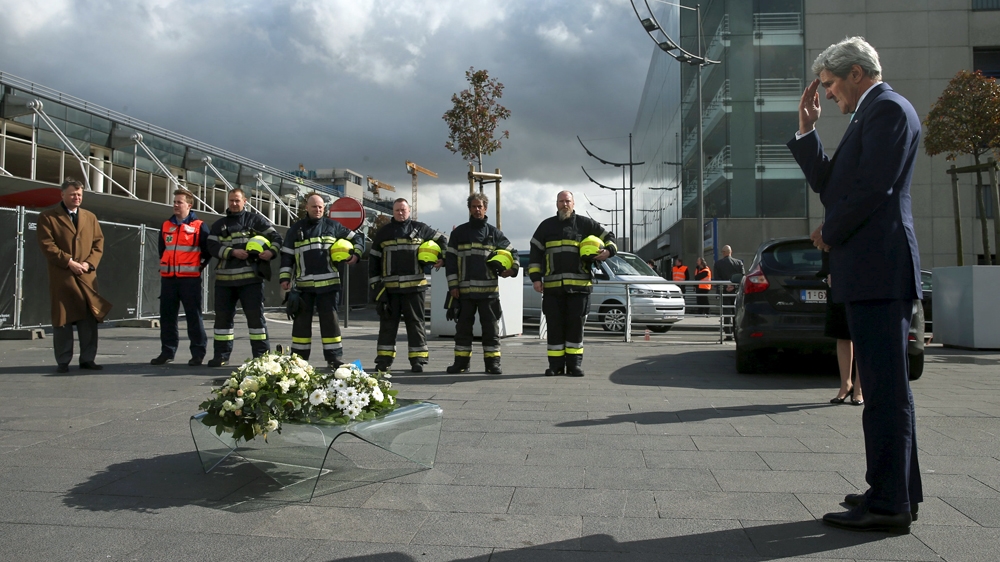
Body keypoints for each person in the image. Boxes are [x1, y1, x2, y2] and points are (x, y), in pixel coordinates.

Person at [788, 36, 922, 533]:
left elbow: (874, 189)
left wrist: (830, 230)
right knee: (888, 390)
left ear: (857, 74)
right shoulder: (871, 114)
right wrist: (807, 133)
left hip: (879, 270)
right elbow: (835, 184)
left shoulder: (887, 110)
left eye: (829, 85)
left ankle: (889, 505)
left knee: (886, 393)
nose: (826, 96)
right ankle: (896, 491)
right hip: (871, 269)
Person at [528, 191, 616, 377]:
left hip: (579, 288)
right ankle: (555, 366)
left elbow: (610, 237)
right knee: (554, 327)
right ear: (556, 204)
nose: (564, 204)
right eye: (561, 201)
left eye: (567, 201)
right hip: (553, 289)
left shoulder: (585, 224)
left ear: (573, 203)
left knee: (575, 327)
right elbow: (535, 253)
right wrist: (536, 278)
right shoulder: (546, 226)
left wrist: (608, 251)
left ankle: (574, 365)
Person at [36, 177, 112, 373]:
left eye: (79, 194)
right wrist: (69, 262)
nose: (76, 197)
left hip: (86, 277)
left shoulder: (90, 217)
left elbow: (98, 244)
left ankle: (88, 359)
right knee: (63, 320)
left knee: (89, 320)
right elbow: (48, 245)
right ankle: (63, 360)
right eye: (72, 194)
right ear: (62, 195)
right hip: (63, 277)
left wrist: (88, 264)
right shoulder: (48, 217)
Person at [279, 193, 363, 369]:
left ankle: (334, 358)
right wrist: (285, 278)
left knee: (330, 324)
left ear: (324, 209)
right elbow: (286, 256)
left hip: (329, 286)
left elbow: (357, 238)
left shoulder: (334, 226)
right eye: (314, 207)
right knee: (301, 326)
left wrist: (356, 255)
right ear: (306, 208)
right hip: (303, 287)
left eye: (320, 207)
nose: (317, 210)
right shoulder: (296, 229)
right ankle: (299, 360)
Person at [205, 187, 282, 367]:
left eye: (237, 200)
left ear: (245, 201)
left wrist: (271, 252)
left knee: (256, 321)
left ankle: (261, 357)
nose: (233, 203)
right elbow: (211, 246)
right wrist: (232, 252)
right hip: (224, 282)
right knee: (222, 322)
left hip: (251, 281)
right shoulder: (219, 225)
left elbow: (277, 238)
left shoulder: (255, 221)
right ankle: (221, 356)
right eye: (231, 200)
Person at [369, 198, 447, 373]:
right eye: (397, 210)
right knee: (388, 326)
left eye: (403, 210)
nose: (400, 213)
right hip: (390, 290)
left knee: (416, 324)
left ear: (409, 211)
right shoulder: (384, 232)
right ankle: (384, 360)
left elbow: (442, 240)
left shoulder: (421, 228)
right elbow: (373, 261)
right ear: (393, 212)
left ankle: (418, 360)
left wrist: (444, 258)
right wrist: (376, 288)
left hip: (415, 288)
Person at [444, 193, 519, 375]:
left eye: (480, 206)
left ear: (485, 208)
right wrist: (453, 286)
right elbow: (451, 260)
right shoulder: (458, 233)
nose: (477, 210)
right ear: (469, 209)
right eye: (474, 207)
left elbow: (513, 253)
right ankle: (461, 363)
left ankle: (493, 364)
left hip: (489, 293)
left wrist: (513, 269)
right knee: (462, 331)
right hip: (464, 293)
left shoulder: (494, 234)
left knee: (491, 330)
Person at [151, 189, 211, 366]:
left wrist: (198, 267)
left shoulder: (199, 225)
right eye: (174, 202)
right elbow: (162, 250)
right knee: (167, 316)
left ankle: (198, 353)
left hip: (189, 279)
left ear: (189, 205)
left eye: (179, 202)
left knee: (194, 316)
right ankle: (167, 351)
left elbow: (207, 252)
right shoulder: (166, 225)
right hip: (169, 279)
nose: (175, 205)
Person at [817, 246, 864, 406]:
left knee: (861, 335)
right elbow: (827, 242)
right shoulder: (834, 221)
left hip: (864, 279)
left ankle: (859, 388)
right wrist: (829, 271)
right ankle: (846, 384)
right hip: (838, 280)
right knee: (842, 333)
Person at [713, 245, 745, 339]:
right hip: (736, 291)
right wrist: (733, 285)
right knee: (736, 313)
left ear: (723, 252)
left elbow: (717, 278)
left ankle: (728, 334)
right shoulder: (739, 263)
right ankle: (736, 334)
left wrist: (726, 285)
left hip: (724, 291)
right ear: (731, 252)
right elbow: (742, 276)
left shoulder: (718, 264)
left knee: (726, 313)